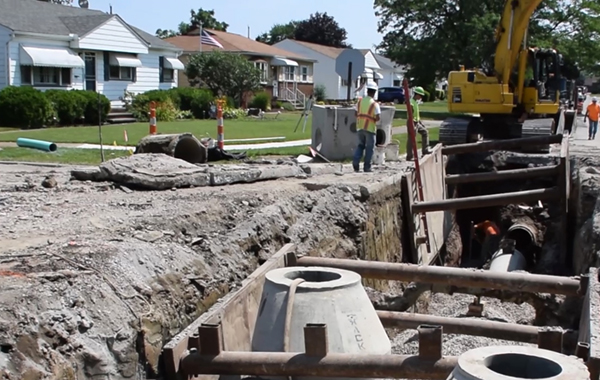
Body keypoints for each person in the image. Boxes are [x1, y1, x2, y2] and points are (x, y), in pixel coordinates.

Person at [352, 82, 381, 173]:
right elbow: (378, 117)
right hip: (370, 129)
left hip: (360, 127)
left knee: (360, 146)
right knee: (369, 148)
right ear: (374, 92)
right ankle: (367, 167)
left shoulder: (360, 101)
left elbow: (355, 113)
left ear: (367, 91)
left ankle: (355, 162)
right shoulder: (374, 104)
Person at [406, 86, 432, 161]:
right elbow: (410, 114)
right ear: (416, 94)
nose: (421, 97)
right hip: (412, 122)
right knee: (411, 139)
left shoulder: (415, 102)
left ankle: (425, 150)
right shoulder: (411, 102)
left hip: (417, 122)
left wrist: (420, 122)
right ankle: (409, 156)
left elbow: (416, 114)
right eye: (420, 95)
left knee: (425, 132)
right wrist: (412, 125)